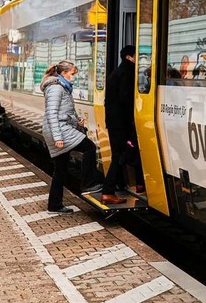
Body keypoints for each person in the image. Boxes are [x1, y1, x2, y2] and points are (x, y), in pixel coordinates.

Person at [40, 60, 103, 213]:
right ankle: (88, 183)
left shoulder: (63, 87)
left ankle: (54, 205)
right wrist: (58, 138)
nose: (74, 77)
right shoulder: (56, 88)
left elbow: (64, 112)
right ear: (63, 73)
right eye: (72, 74)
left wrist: (77, 120)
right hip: (59, 131)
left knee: (60, 170)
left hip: (62, 129)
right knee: (89, 147)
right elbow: (52, 114)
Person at [101, 45, 145, 205]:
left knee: (121, 154)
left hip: (114, 122)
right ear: (129, 57)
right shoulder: (128, 72)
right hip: (121, 123)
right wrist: (132, 123)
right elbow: (126, 99)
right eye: (137, 56)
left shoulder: (117, 72)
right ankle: (108, 191)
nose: (139, 60)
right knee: (121, 155)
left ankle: (133, 184)